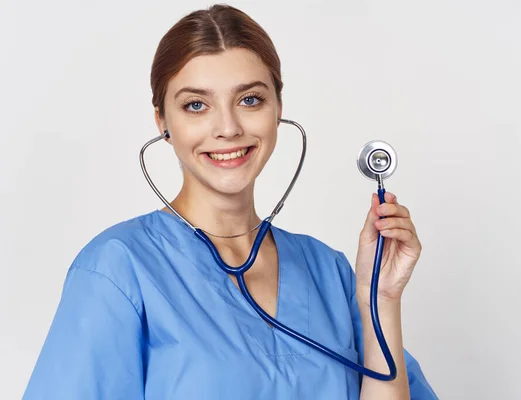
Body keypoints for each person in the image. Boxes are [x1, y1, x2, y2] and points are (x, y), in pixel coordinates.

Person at [23, 4, 437, 399]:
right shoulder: (118, 269)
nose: (227, 127)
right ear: (163, 122)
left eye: (250, 99)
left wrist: (381, 300)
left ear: (278, 108)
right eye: (196, 105)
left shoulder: (330, 272)